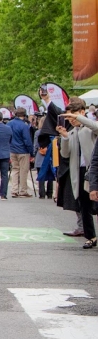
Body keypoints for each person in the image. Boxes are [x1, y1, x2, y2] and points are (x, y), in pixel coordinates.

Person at [60, 105, 98, 247]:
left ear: (82, 113)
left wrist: (80, 118)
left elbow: (95, 126)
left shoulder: (89, 127)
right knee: (84, 205)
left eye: (73, 116)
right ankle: (91, 236)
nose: (72, 119)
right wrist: (64, 137)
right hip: (80, 171)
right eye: (69, 117)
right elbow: (65, 154)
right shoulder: (72, 133)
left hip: (93, 170)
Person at [8, 108, 36, 197]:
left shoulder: (9, 124)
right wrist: (31, 152)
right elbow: (27, 140)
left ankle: (14, 190)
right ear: (24, 115)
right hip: (23, 150)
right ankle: (23, 190)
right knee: (23, 170)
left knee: (15, 169)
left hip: (12, 149)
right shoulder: (24, 125)